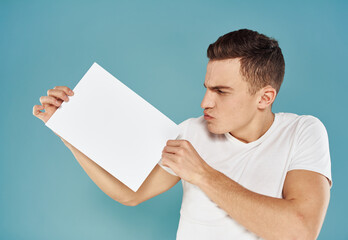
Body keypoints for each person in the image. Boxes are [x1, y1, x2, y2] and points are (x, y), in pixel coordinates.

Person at [33, 28, 332, 240]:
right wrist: (68, 133)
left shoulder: (303, 131)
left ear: (265, 98)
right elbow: (130, 195)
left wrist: (202, 174)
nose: (205, 103)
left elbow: (300, 231)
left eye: (221, 92)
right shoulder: (191, 132)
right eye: (206, 88)